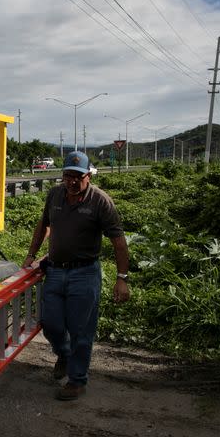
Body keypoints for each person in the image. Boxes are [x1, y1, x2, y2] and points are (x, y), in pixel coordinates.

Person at [22, 151, 130, 401]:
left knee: (82, 330)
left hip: (85, 273)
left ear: (88, 177)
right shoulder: (55, 195)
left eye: (78, 177)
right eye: (67, 176)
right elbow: (44, 225)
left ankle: (77, 380)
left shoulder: (100, 201)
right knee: (51, 323)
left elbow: (118, 241)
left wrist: (122, 278)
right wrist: (31, 255)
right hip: (56, 271)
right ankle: (65, 354)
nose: (71, 182)